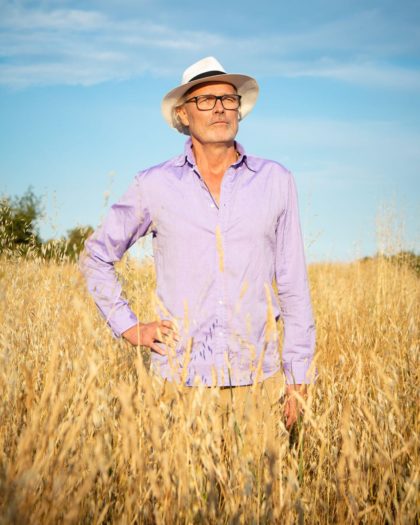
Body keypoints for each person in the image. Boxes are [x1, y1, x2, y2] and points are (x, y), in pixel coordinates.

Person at [80, 57, 316, 432]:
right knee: (182, 494)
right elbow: (95, 256)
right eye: (205, 100)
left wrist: (298, 374)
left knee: (259, 492)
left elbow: (293, 284)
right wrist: (129, 327)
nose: (220, 107)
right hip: (180, 383)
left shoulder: (276, 180)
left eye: (228, 98)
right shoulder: (154, 184)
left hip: (259, 379)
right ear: (184, 114)